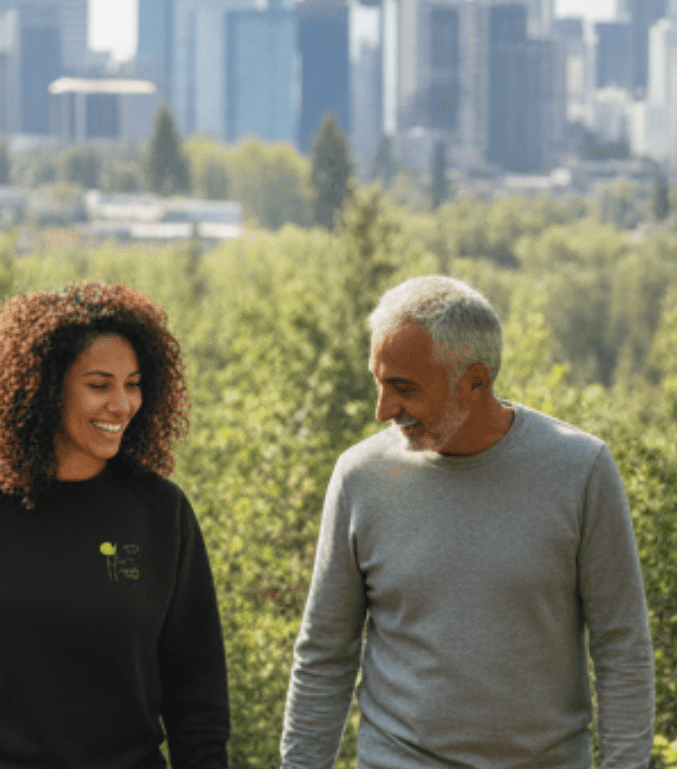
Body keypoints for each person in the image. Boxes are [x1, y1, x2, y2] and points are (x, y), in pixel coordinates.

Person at [280, 274, 653, 769]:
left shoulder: (580, 470)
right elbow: (324, 656)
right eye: (379, 381)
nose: (383, 409)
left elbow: (622, 645)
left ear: (475, 381)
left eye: (403, 388)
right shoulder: (360, 477)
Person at [0, 281, 229, 769]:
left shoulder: (162, 515)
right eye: (98, 384)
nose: (122, 404)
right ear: (44, 388)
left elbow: (199, 703)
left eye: (133, 384)